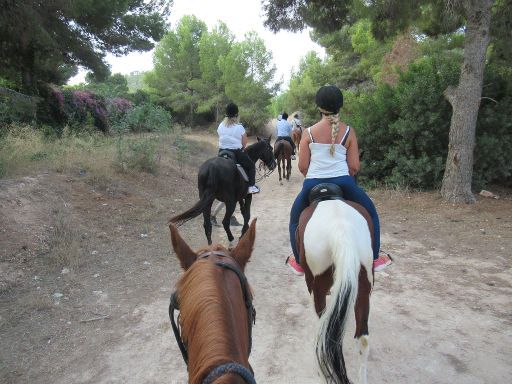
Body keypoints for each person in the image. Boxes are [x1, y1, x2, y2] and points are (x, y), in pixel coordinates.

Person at [286, 85, 392, 275]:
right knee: (372, 213)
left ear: (319, 107)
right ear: (339, 106)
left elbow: (302, 167)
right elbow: (354, 167)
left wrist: (314, 176)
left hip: (312, 184)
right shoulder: (348, 131)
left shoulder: (308, 133)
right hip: (344, 183)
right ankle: (375, 258)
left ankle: (300, 263)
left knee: (294, 219)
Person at [218, 102, 260, 194]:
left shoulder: (220, 125)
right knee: (251, 166)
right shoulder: (239, 127)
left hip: (221, 152)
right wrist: (241, 148)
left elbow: (220, 137)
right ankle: (251, 187)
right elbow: (244, 142)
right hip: (235, 153)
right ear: (236, 114)